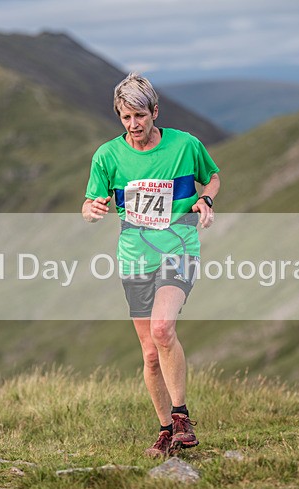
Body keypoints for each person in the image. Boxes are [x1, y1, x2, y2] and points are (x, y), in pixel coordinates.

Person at [82, 72, 221, 458]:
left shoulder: (185, 145)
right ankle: (165, 432)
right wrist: (92, 210)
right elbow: (90, 203)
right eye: (125, 118)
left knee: (163, 329)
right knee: (148, 354)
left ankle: (181, 417)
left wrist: (204, 201)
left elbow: (212, 178)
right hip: (133, 258)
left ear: (155, 111)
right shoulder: (107, 156)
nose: (134, 125)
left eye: (140, 115)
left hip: (179, 249)